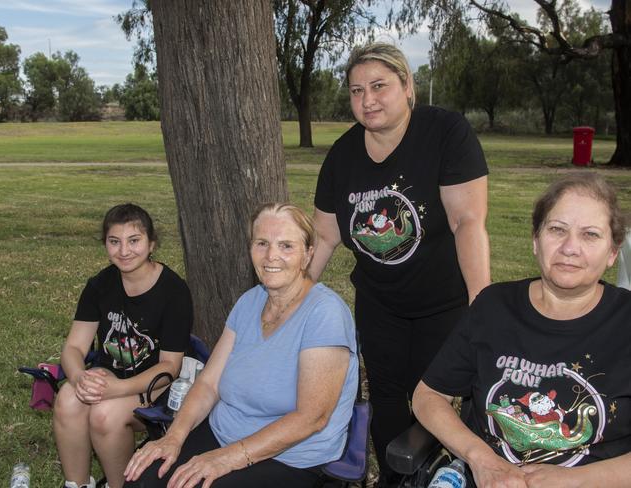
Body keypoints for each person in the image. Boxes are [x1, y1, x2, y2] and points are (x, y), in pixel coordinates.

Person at [311, 42, 490, 484]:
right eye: (356, 90)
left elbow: (467, 221)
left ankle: (443, 474)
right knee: (388, 397)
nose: (367, 100)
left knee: (432, 395)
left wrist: (483, 305)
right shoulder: (342, 155)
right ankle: (395, 480)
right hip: (380, 301)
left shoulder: (445, 132)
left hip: (443, 300)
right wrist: (285, 300)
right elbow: (323, 235)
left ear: (407, 86)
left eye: (378, 86)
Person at [412, 173, 631, 487]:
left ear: (612, 252)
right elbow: (428, 396)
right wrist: (481, 459)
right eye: (557, 230)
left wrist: (572, 480)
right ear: (535, 240)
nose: (570, 248)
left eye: (590, 235)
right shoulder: (493, 307)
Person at [123, 203, 359, 488]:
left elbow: (311, 418)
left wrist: (227, 458)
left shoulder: (325, 313)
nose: (271, 256)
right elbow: (209, 383)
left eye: (286, 246)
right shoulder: (250, 301)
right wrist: (173, 437)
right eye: (262, 243)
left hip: (291, 456)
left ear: (308, 254)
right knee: (142, 480)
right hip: (224, 431)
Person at [54, 204, 193, 488]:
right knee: (68, 400)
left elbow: (170, 366)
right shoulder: (100, 285)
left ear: (151, 243)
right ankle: (78, 484)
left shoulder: (174, 291)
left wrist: (116, 390)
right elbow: (73, 348)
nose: (124, 251)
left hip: (156, 386)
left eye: (134, 241)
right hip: (110, 376)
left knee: (105, 416)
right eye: (114, 241)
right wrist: (79, 377)